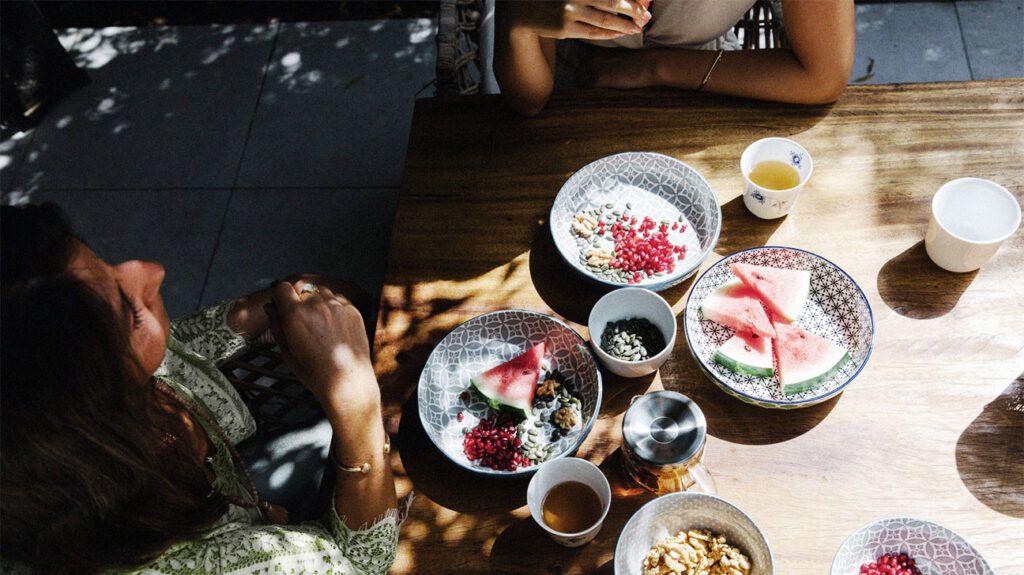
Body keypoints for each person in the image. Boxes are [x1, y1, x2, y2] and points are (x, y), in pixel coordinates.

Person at [0, 203, 409, 575]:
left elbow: (177, 346)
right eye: (131, 312)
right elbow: (365, 560)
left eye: (105, 264)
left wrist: (265, 307)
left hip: (250, 487)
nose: (151, 269)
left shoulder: (83, 395)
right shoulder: (228, 565)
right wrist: (358, 409)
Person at [494, 0, 855, 116]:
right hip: (572, 88)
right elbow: (529, 102)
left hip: (717, 81)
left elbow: (822, 76)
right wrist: (520, 19)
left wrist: (657, 68)